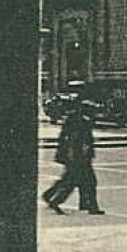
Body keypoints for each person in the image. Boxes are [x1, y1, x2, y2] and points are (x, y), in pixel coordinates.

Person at [42, 87, 105, 215]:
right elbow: (78, 140)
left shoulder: (73, 118)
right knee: (82, 181)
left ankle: (52, 196)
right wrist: (79, 154)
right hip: (79, 157)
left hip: (75, 156)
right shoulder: (82, 121)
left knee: (72, 180)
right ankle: (56, 200)